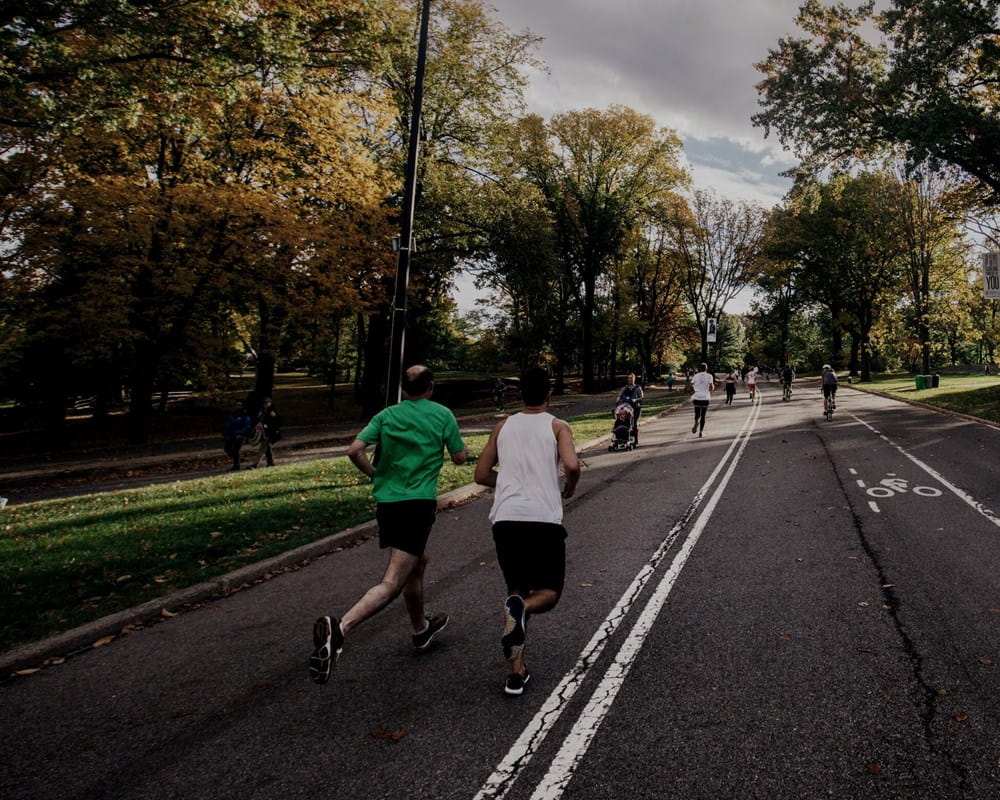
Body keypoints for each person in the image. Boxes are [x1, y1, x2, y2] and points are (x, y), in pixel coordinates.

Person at [309, 365, 468, 685]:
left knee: (417, 563)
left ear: (403, 388)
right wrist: (456, 449)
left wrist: (375, 474)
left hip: (388, 504)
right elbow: (460, 458)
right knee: (393, 581)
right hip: (417, 505)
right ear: (431, 386)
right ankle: (340, 629)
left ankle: (421, 630)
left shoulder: (386, 415)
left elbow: (354, 450)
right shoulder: (442, 414)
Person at [474, 367, 581, 696]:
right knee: (549, 592)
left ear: (520, 394)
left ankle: (515, 672)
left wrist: (509, 482)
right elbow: (572, 465)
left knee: (516, 591)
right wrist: (569, 488)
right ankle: (524, 613)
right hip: (543, 519)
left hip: (506, 519)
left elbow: (481, 474)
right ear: (549, 394)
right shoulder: (558, 426)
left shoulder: (502, 426)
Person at [251, 397, 282, 468]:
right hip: (265, 432)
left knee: (263, 447)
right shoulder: (263, 411)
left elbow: (278, 421)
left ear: (270, 403)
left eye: (266, 403)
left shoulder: (272, 411)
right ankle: (270, 462)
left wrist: (274, 425)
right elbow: (260, 420)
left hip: (271, 432)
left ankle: (255, 464)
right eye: (264, 403)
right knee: (267, 448)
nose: (265, 404)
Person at [222, 402, 253, 471]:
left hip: (239, 435)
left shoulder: (244, 415)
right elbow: (229, 425)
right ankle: (238, 460)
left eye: (239, 405)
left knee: (236, 449)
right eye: (236, 405)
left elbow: (247, 426)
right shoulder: (233, 414)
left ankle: (236, 465)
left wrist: (240, 433)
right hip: (231, 434)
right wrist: (226, 433)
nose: (237, 406)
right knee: (227, 448)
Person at [616, 373, 644, 444]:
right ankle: (623, 437)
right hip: (626, 408)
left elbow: (641, 397)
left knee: (634, 423)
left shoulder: (638, 388)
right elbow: (619, 395)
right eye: (629, 378)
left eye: (631, 378)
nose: (630, 380)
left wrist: (636, 400)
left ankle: (635, 438)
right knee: (624, 422)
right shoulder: (624, 388)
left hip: (635, 408)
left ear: (634, 379)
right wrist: (618, 399)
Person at [690, 363, 715, 437]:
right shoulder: (709, 376)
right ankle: (701, 432)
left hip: (697, 397)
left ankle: (696, 421)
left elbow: (691, 385)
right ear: (706, 369)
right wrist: (712, 388)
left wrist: (694, 389)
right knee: (703, 415)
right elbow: (711, 387)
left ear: (699, 369)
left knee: (697, 413)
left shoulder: (695, 376)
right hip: (705, 397)